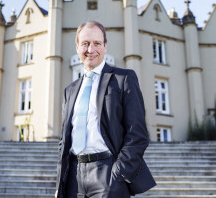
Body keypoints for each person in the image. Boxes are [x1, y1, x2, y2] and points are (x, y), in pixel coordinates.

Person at [55, 21, 156, 198]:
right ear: (77, 47)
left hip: (107, 174)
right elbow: (64, 141)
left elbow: (137, 134)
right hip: (73, 178)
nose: (91, 49)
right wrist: (60, 184)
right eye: (85, 43)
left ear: (105, 46)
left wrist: (119, 175)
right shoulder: (69, 91)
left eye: (97, 43)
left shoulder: (123, 79)